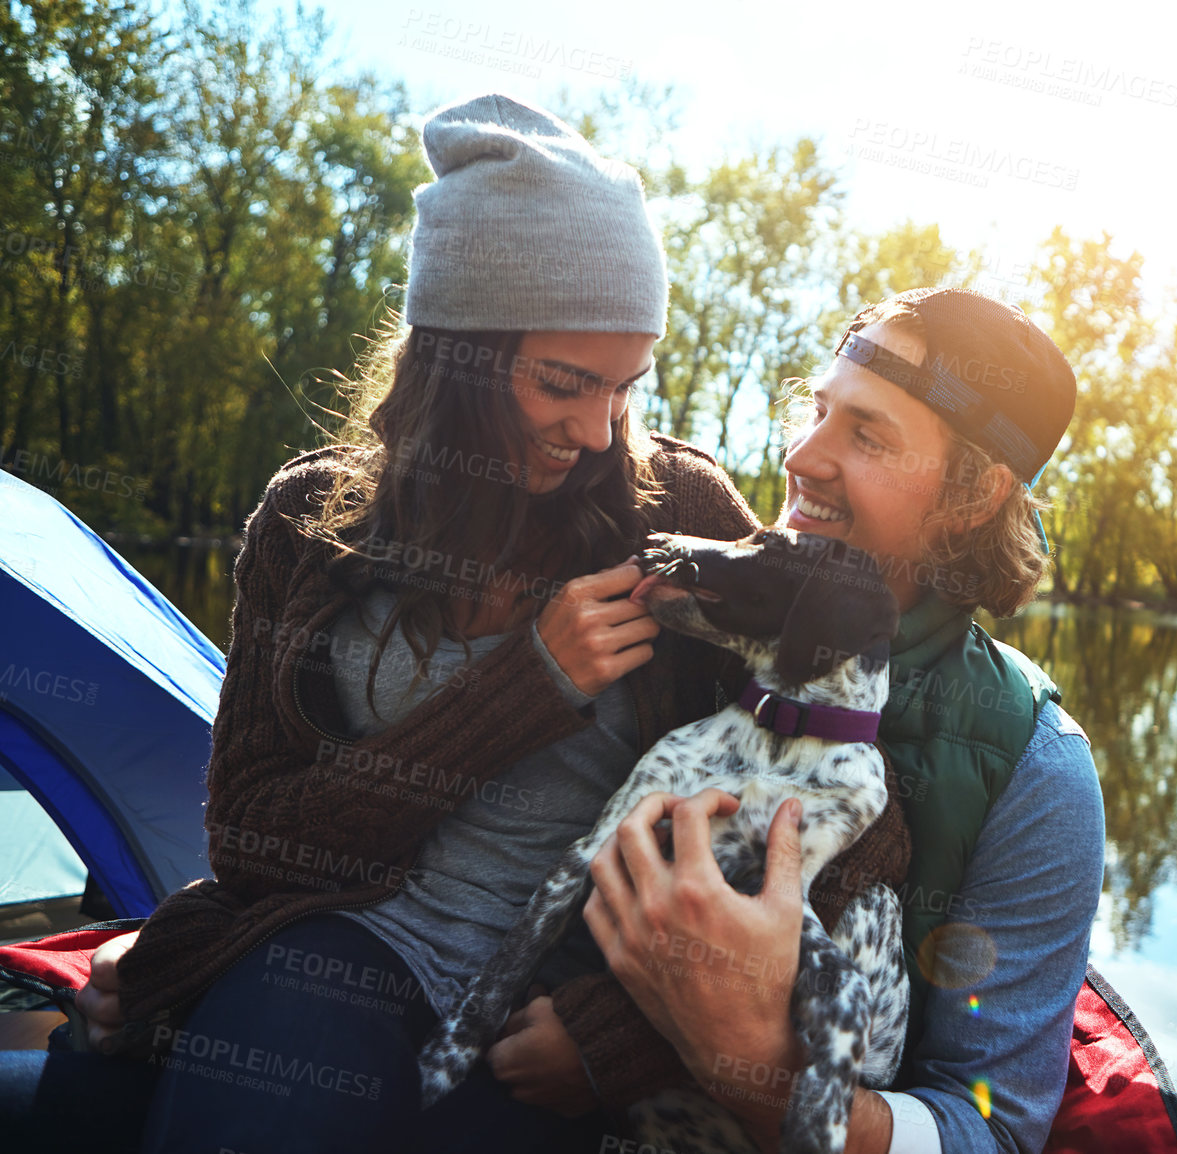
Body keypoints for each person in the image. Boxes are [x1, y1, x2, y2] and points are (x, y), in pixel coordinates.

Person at [0, 93, 908, 1153]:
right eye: (563, 383)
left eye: (625, 387)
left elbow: (858, 832)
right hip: (342, 947)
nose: (598, 427)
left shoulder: (681, 517)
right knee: (129, 1098)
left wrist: (617, 1038)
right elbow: (252, 838)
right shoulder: (311, 520)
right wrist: (525, 686)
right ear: (457, 356)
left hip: (549, 1005)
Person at [580, 287, 1107, 1153]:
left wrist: (742, 1060)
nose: (803, 455)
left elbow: (992, 1130)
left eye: (867, 435)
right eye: (817, 411)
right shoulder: (686, 611)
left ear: (975, 492)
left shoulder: (1034, 771)